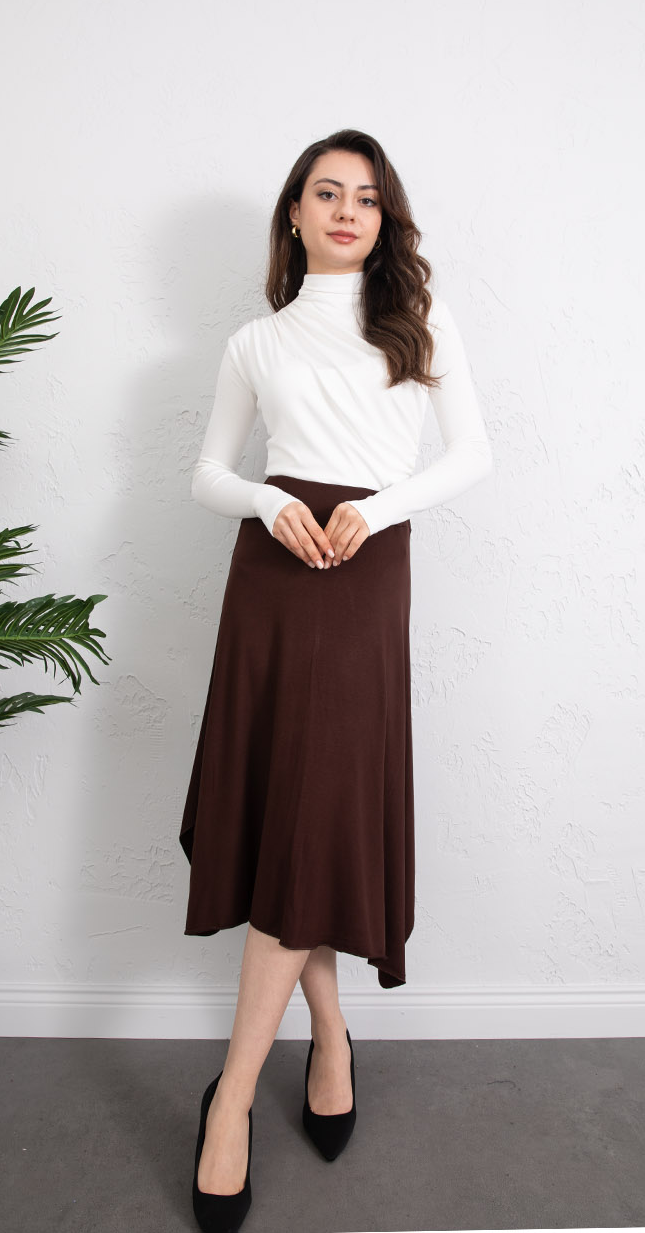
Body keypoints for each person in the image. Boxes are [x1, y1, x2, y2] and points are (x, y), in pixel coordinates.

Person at [179, 127, 493, 1231]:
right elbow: (208, 472)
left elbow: (473, 454)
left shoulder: (419, 325)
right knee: (290, 818)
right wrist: (270, 501)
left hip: (364, 572)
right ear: (296, 213)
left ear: (383, 217)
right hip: (273, 572)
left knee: (314, 816)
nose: (348, 210)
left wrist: (381, 506)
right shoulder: (254, 341)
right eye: (327, 192)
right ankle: (326, 1036)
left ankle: (230, 1098)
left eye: (366, 196)